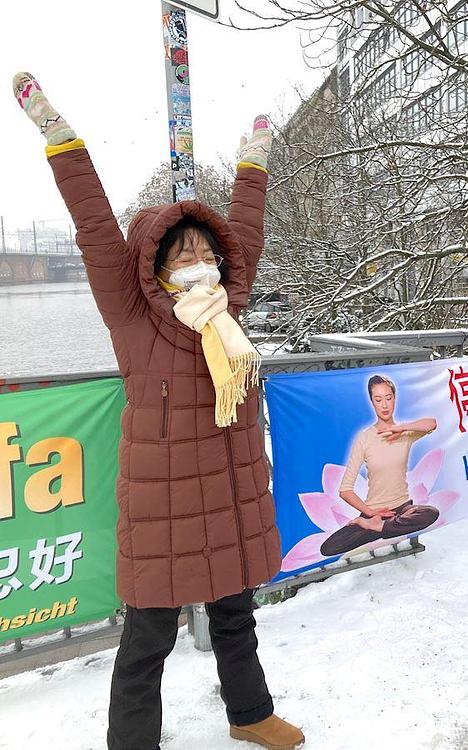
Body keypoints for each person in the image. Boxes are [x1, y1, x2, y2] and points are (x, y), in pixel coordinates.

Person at [13, 73, 304, 750]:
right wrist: (60, 138)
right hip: (163, 512)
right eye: (184, 253)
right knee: (147, 639)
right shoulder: (133, 317)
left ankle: (249, 713)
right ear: (157, 267)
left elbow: (247, 230)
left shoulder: (228, 312)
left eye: (207, 251)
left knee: (236, 617)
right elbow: (94, 228)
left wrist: (254, 164)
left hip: (228, 500)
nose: (200, 260)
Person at [319, 375, 440, 557]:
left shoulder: (405, 433)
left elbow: (432, 424)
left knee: (431, 513)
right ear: (372, 402)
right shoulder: (364, 438)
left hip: (403, 509)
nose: (384, 405)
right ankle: (380, 526)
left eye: (388, 398)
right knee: (329, 547)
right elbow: (345, 490)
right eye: (378, 399)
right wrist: (369, 513)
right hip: (374, 513)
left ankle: (379, 528)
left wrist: (401, 428)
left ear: (394, 398)